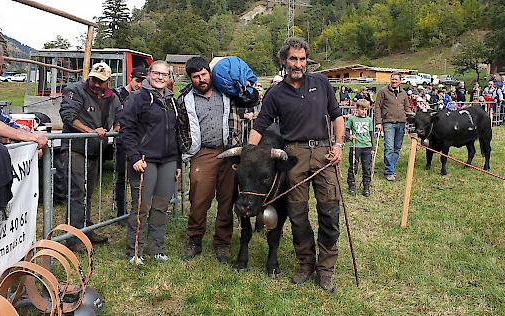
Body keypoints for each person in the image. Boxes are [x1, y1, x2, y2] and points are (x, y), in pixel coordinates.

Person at [249, 37, 344, 292]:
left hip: (325, 153)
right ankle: (305, 264)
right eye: (293, 58)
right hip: (294, 155)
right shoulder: (276, 93)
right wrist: (249, 154)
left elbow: (337, 116)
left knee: (329, 213)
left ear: (307, 60)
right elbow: (259, 125)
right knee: (298, 215)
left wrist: (338, 146)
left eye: (302, 59)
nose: (298, 64)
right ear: (284, 60)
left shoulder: (322, 83)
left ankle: (325, 270)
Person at [119, 61, 182, 265]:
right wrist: (134, 156)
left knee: (161, 206)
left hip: (168, 160)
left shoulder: (172, 101)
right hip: (145, 160)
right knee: (141, 207)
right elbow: (126, 129)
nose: (160, 77)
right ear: (149, 74)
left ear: (169, 77)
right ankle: (134, 250)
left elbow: (176, 133)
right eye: (156, 73)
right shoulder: (138, 98)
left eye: (165, 74)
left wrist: (178, 162)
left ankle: (157, 248)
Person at [59, 62, 120, 252]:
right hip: (75, 148)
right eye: (93, 79)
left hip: (95, 150)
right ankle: (73, 237)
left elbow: (120, 116)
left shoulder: (113, 97)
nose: (94, 83)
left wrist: (116, 129)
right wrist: (92, 132)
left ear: (109, 81)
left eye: (100, 81)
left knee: (88, 191)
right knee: (77, 191)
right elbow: (68, 116)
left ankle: (86, 228)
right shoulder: (75, 90)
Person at [180, 57, 236, 263]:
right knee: (199, 198)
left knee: (227, 198)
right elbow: (181, 127)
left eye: (204, 74)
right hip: (203, 153)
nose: (201, 79)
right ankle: (194, 239)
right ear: (191, 79)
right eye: (196, 77)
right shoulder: (185, 99)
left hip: (228, 151)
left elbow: (250, 102)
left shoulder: (226, 92)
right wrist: (186, 150)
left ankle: (222, 242)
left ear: (209, 73)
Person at [112, 66, 147, 220]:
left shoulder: (144, 95)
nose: (139, 84)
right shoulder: (119, 94)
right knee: (121, 176)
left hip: (139, 143)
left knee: (138, 179)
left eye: (142, 81)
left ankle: (138, 211)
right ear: (130, 79)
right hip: (122, 141)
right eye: (137, 80)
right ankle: (121, 211)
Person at [373, 72, 410, 181]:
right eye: (392, 79)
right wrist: (378, 122)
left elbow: (407, 109)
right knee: (389, 147)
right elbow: (377, 107)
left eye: (396, 80)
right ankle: (389, 172)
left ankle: (390, 168)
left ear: (400, 81)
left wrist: (414, 116)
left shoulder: (404, 93)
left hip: (401, 122)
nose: (394, 81)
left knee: (397, 148)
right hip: (388, 122)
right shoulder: (383, 91)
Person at [346, 99, 374, 197]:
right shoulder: (351, 119)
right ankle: (351, 185)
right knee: (353, 166)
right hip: (355, 146)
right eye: (362, 109)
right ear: (356, 108)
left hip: (367, 146)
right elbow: (346, 131)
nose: (364, 111)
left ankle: (366, 186)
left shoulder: (369, 120)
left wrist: (372, 147)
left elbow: (371, 134)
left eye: (366, 109)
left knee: (366, 167)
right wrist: (349, 136)